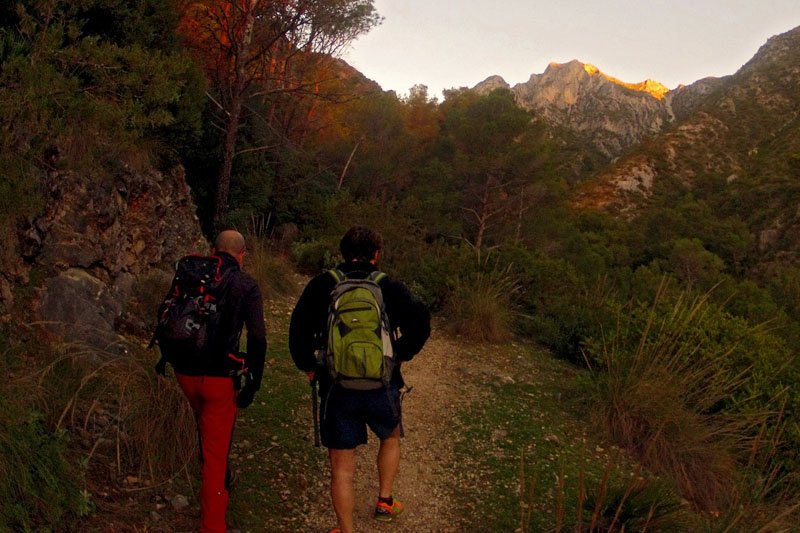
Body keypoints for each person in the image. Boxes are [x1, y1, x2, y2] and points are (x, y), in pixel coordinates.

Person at [289, 225, 430, 533]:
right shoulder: (389, 286)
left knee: (341, 467)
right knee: (390, 437)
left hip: (336, 387)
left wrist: (310, 366)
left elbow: (297, 332)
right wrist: (399, 356)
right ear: (376, 255)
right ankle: (385, 500)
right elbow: (421, 325)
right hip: (382, 384)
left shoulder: (323, 284)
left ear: (341, 253)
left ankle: (345, 529)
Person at [158, 230, 267, 533]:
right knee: (215, 458)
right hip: (219, 380)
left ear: (211, 250)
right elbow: (258, 338)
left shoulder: (190, 274)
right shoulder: (245, 284)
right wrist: (253, 383)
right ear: (242, 254)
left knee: (206, 437)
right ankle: (213, 526)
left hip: (184, 372)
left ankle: (215, 483)